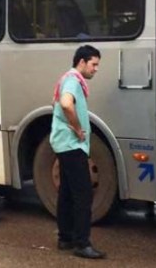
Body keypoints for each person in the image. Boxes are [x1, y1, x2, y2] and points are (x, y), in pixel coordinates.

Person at [50, 44, 105, 260]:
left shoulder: (69, 79)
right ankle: (82, 243)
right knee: (83, 195)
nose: (96, 69)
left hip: (64, 145)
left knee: (66, 192)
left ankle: (65, 238)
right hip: (72, 145)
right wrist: (76, 127)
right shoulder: (72, 80)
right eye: (94, 64)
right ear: (81, 62)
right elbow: (66, 104)